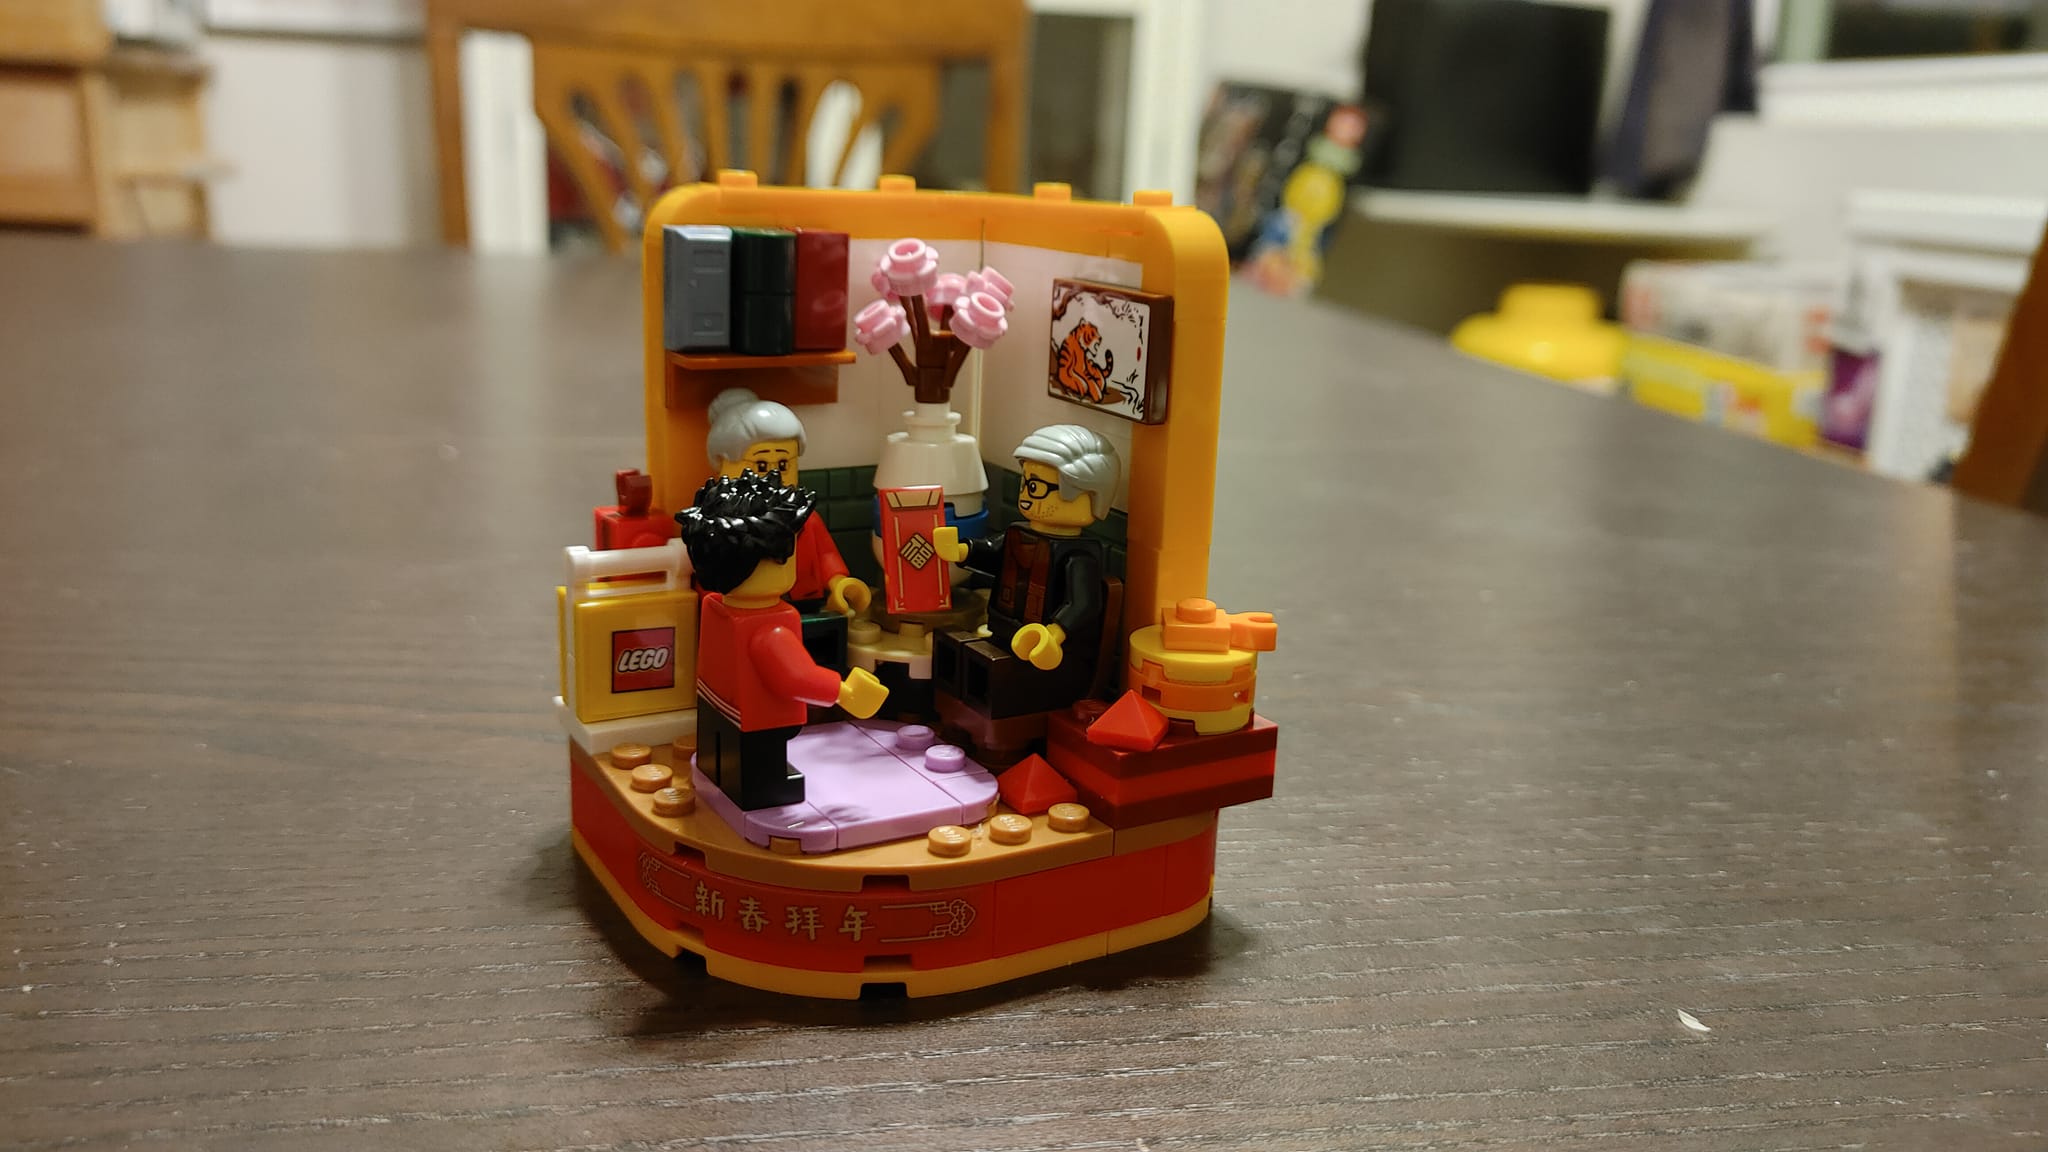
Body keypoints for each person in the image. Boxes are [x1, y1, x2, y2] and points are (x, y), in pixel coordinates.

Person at [677, 471, 888, 810]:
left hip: (717, 710)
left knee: (722, 755)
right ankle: (767, 790)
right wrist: (844, 691)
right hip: (758, 723)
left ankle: (718, 773)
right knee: (763, 769)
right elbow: (796, 677)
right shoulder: (768, 628)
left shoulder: (715, 607)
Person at [931, 425, 1119, 750]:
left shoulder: (1078, 555)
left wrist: (1054, 633)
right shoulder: (1020, 534)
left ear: (1087, 494)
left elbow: (1084, 604)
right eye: (1025, 484)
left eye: (1037, 487)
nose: (1027, 495)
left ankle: (998, 742)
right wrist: (962, 551)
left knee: (996, 674)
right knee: (955, 648)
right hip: (1006, 635)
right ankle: (957, 720)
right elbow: (995, 552)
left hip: (1048, 659)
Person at [705, 388, 870, 615]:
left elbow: (825, 556)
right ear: (723, 464)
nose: (775, 475)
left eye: (783, 465)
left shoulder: (806, 519)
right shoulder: (723, 527)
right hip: (745, 611)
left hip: (805, 604)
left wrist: (839, 583)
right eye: (761, 465)